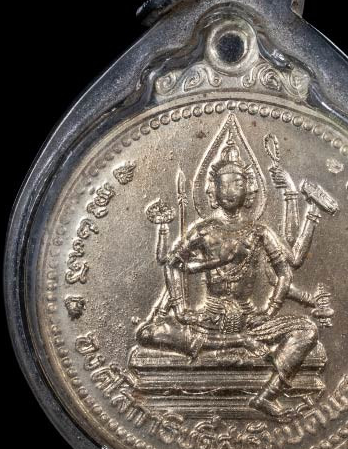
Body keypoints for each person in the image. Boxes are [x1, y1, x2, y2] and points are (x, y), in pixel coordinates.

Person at [136, 137, 323, 420]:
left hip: (250, 319)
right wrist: (181, 308)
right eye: (225, 184)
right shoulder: (203, 230)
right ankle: (238, 342)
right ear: (213, 191)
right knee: (148, 333)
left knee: (307, 330)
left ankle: (266, 395)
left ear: (249, 190)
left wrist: (270, 310)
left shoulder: (259, 232)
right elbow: (173, 264)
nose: (231, 190)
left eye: (238, 183)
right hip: (208, 319)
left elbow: (286, 271)